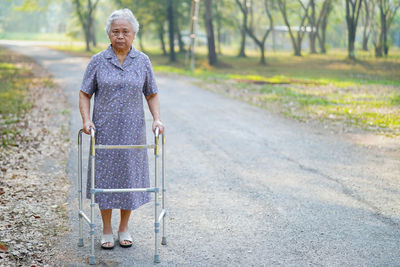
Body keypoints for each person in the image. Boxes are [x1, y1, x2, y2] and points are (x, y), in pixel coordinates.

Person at [78, 8, 164, 249]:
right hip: (104, 131)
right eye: (115, 31)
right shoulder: (98, 60)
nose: (120, 36)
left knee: (129, 179)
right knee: (104, 180)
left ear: (134, 34)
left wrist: (157, 119)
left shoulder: (143, 61)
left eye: (125, 31)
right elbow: (85, 94)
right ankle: (106, 228)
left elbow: (152, 94)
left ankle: (124, 227)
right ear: (109, 34)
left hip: (133, 131)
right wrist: (86, 120)